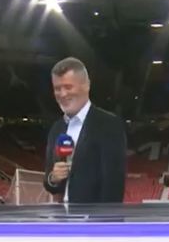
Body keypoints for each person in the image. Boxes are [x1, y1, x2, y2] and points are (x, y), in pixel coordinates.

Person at [42, 57, 127, 203]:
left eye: (68, 87)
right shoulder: (57, 129)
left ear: (86, 85)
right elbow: (50, 184)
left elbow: (113, 186)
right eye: (57, 88)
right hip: (62, 219)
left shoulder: (108, 124)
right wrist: (53, 178)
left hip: (92, 222)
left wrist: (103, 224)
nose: (62, 94)